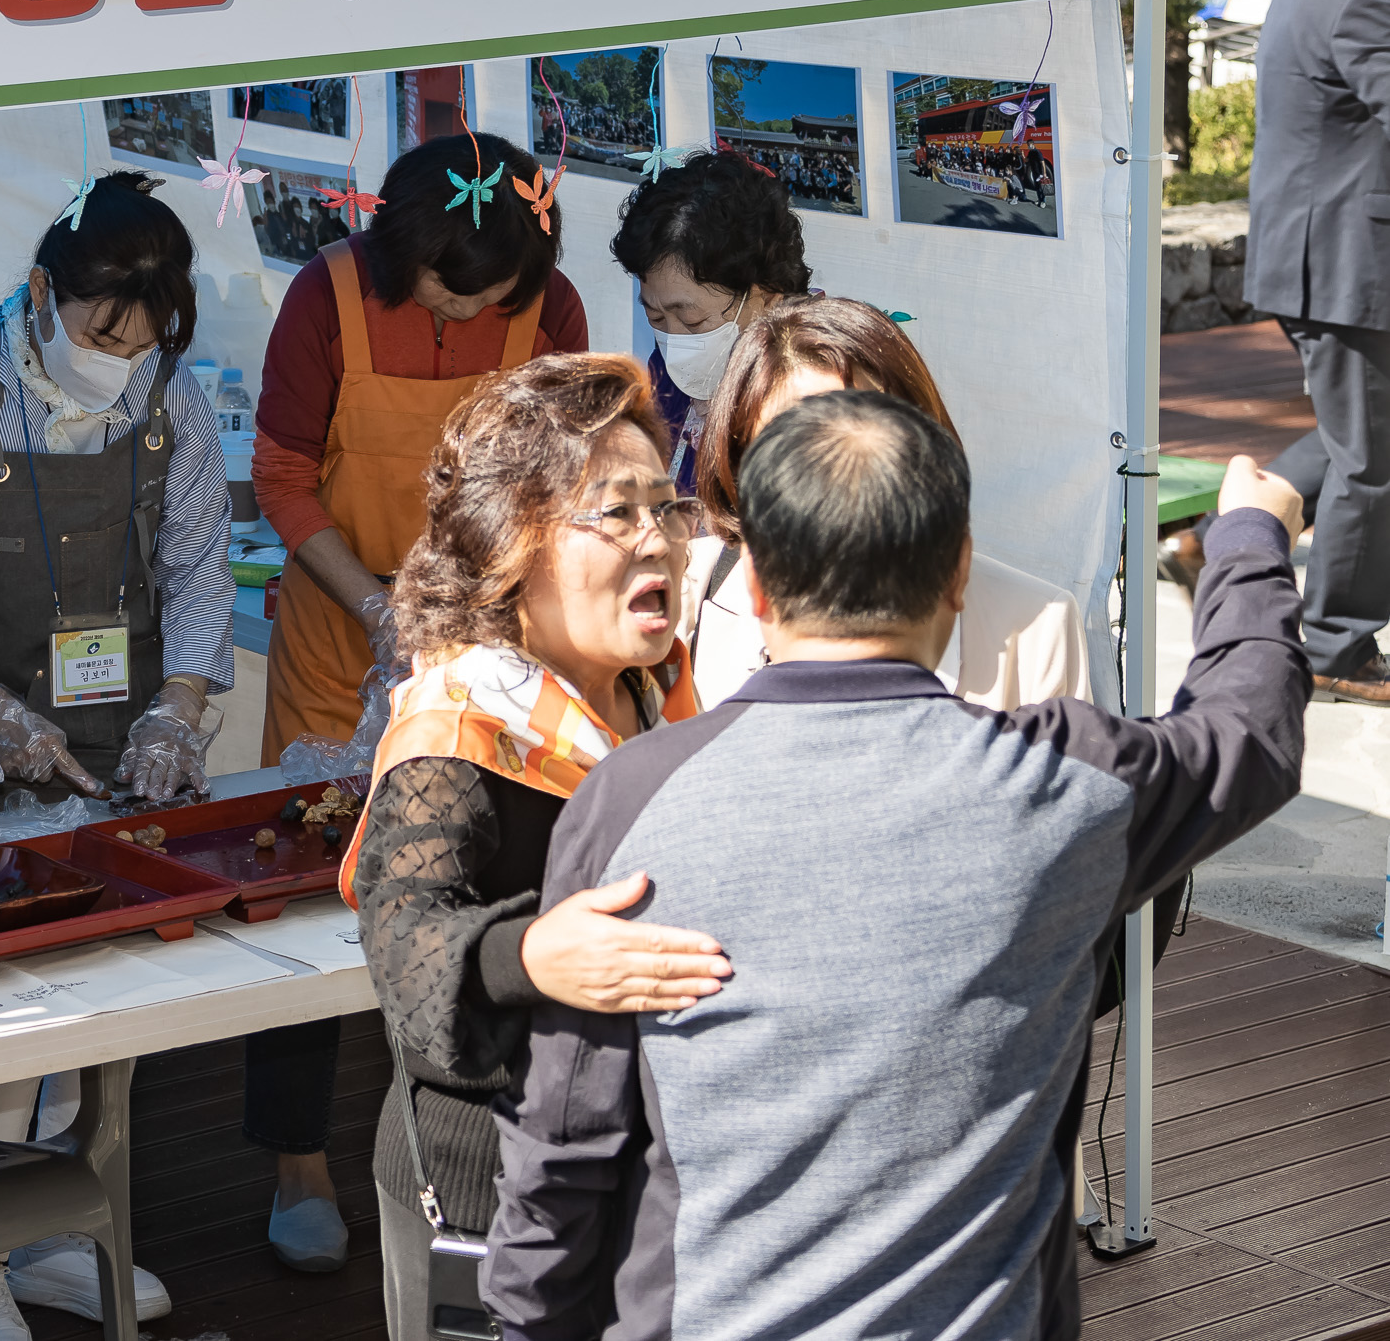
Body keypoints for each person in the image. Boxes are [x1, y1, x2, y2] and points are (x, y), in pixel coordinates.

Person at [485, 396, 1308, 1339]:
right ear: (959, 574)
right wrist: (1248, 536)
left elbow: (565, 1143)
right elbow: (1250, 727)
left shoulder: (630, 799)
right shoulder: (1063, 784)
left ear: (754, 587)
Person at [0, 173, 226, 1337]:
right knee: (0, 1015)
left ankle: (45, 1236)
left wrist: (177, 708)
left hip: (110, 740)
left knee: (94, 1004)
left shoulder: (169, 401)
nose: (118, 361)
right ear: (41, 293)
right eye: (97, 333)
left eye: (142, 341)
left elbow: (195, 568)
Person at [351, 355, 729, 1341]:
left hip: (639, 1169)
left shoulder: (663, 692)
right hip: (487, 1182)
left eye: (668, 505)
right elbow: (402, 942)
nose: (661, 541)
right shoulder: (461, 718)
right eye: (617, 511)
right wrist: (531, 953)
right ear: (517, 537)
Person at [256, 131, 588, 765]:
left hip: (485, 640)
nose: (468, 306)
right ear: (403, 251)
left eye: (493, 290)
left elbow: (560, 484)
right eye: (449, 285)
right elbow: (281, 481)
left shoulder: (553, 307)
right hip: (335, 628)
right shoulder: (327, 294)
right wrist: (381, 614)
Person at [684, 296, 1087, 710]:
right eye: (792, 442)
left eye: (866, 430)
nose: (835, 464)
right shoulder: (685, 591)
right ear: (737, 458)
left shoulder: (1036, 621)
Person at [1245, 0, 1390, 703]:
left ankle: (1240, 517)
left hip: (1325, 252)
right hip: (1342, 261)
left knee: (1362, 442)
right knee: (1372, 465)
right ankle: (1337, 646)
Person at [609, 150, 812, 492]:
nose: (674, 342)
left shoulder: (817, 391)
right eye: (655, 317)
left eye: (693, 321)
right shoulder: (663, 373)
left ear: (768, 296)